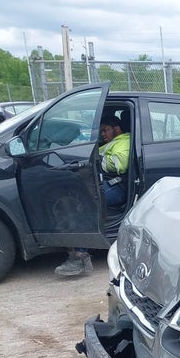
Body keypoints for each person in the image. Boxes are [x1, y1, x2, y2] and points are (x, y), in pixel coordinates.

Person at [55, 114, 131, 277]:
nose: (102, 134)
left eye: (105, 130)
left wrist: (96, 158)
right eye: (101, 131)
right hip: (105, 183)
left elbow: (120, 164)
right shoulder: (111, 143)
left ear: (117, 129)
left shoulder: (124, 142)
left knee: (86, 205)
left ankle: (80, 257)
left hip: (117, 188)